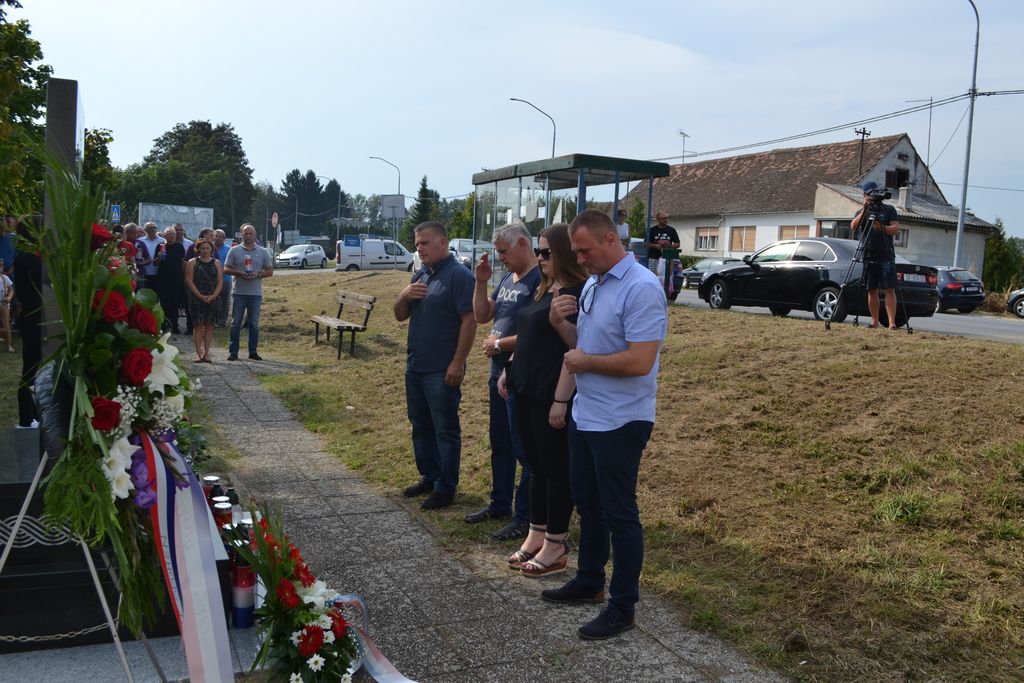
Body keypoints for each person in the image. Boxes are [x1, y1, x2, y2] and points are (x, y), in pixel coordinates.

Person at [542, 209, 667, 641]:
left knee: (619, 513)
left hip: (622, 419)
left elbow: (639, 361)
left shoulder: (641, 288)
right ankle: (590, 580)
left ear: (610, 240)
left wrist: (587, 362)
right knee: (587, 503)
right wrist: (559, 324)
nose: (578, 259)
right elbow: (583, 348)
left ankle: (622, 606)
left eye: (584, 250)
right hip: (587, 414)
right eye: (575, 252)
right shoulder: (595, 283)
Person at [498, 223, 589, 577]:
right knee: (534, 465)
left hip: (549, 390)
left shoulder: (576, 292)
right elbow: (528, 334)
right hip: (524, 385)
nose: (539, 258)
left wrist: (560, 400)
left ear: (565, 252)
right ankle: (536, 533)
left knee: (554, 468)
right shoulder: (544, 287)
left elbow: (576, 348)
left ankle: (556, 541)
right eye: (538, 251)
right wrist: (509, 368)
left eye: (546, 252)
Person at [465, 222, 540, 541]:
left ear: (523, 244)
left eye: (504, 252)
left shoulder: (540, 279)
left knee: (523, 448)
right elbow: (483, 315)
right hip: (497, 373)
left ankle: (526, 516)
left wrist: (500, 344)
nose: (500, 259)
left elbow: (539, 330)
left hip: (521, 374)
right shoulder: (509, 278)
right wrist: (481, 282)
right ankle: (499, 503)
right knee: (500, 442)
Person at [394, 222, 475, 511]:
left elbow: (469, 321)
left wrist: (458, 362)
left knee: (445, 429)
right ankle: (429, 476)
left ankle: (445, 486)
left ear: (442, 242)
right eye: (417, 244)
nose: (419, 248)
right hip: (416, 365)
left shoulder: (459, 276)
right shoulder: (421, 275)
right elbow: (400, 316)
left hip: (442, 369)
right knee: (420, 425)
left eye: (425, 243)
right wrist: (403, 295)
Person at [852, 181, 901, 330]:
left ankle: (892, 323)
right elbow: (853, 227)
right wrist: (864, 209)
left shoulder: (889, 209)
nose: (872, 197)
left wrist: (882, 228)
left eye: (874, 193)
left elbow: (896, 229)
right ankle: (874, 321)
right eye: (869, 194)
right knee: (871, 289)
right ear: (864, 195)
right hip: (869, 254)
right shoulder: (862, 211)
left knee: (889, 289)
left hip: (886, 255)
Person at [224, 223, 273, 361]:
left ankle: (253, 351)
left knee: (254, 324)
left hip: (255, 294)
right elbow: (226, 269)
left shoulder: (263, 252)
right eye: (245, 233)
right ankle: (233, 352)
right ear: (241, 235)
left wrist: (258, 274)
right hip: (239, 292)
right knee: (235, 323)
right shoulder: (234, 250)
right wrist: (239, 273)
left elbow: (270, 271)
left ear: (255, 235)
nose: (248, 236)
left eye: (251, 233)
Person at [13, 216, 42, 429]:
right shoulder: (27, 258)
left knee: (38, 369)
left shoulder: (32, 256)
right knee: (31, 368)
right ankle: (26, 419)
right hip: (34, 317)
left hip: (38, 317)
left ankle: (35, 415)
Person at [185, 238, 224, 363]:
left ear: (211, 249)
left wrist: (213, 296)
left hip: (213, 297)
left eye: (208, 248)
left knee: (209, 326)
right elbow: (189, 281)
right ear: (198, 249)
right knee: (197, 326)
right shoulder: (192, 262)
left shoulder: (217, 263)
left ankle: (206, 353)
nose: (205, 251)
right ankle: (198, 353)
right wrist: (200, 296)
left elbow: (220, 282)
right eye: (203, 248)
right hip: (196, 298)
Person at [157, 227, 186, 334]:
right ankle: (164, 325)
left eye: (173, 234)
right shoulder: (160, 246)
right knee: (164, 303)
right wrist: (158, 257)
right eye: (169, 234)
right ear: (165, 236)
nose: (171, 236)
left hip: (176, 279)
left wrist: (185, 277)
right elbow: (155, 263)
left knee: (175, 303)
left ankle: (175, 326)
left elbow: (183, 262)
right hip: (163, 279)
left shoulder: (179, 246)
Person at [647, 212, 680, 277]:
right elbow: (646, 243)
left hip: (667, 259)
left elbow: (678, 244)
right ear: (658, 219)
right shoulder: (652, 230)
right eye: (664, 218)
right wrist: (656, 246)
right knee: (653, 278)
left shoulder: (671, 230)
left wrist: (669, 246)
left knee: (667, 279)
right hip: (654, 258)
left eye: (667, 218)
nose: (666, 220)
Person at [138, 222, 165, 293]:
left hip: (158, 273)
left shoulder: (162, 241)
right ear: (145, 230)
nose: (153, 229)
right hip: (144, 273)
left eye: (154, 227)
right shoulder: (141, 241)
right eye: (151, 228)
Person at [213, 229, 232, 327]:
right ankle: (214, 320)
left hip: (225, 279)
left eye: (220, 237)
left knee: (224, 300)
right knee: (214, 300)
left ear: (224, 238)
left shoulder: (229, 249)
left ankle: (222, 321)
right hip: (212, 279)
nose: (217, 238)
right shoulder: (209, 247)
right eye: (216, 236)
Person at [0, 267, 13, 352]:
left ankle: (8, 346)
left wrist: (9, 297)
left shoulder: (5, 278)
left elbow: (11, 290)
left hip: (4, 304)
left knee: (6, 325)